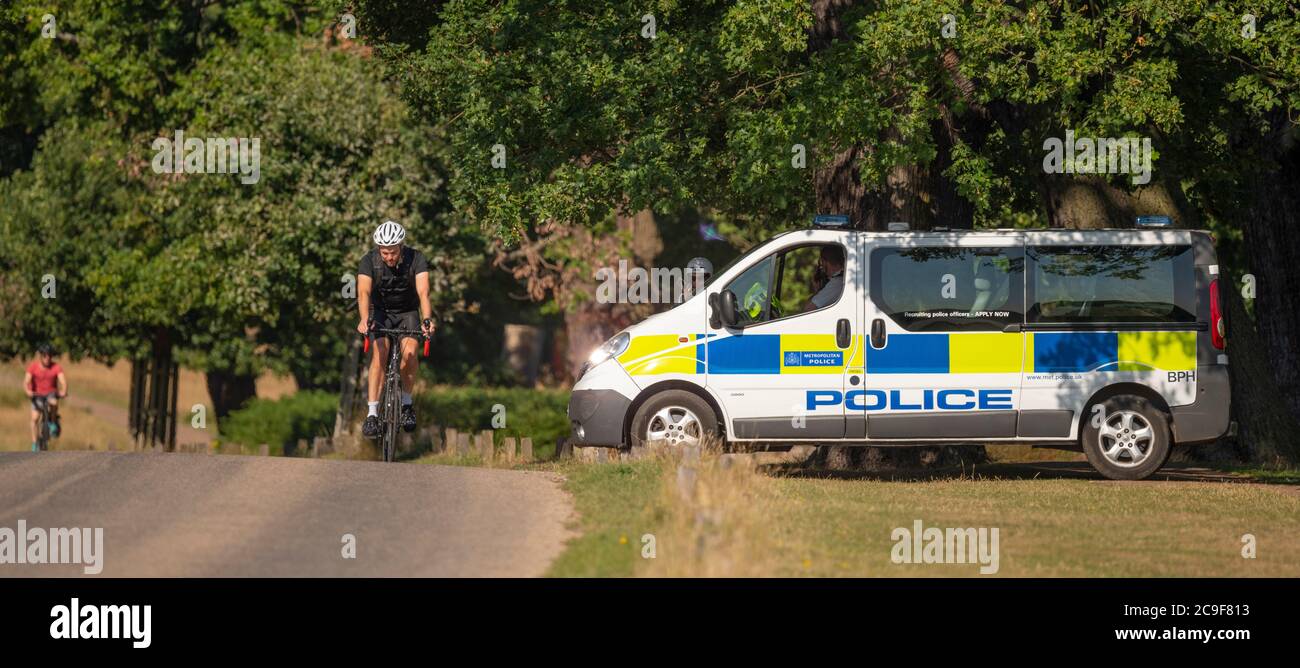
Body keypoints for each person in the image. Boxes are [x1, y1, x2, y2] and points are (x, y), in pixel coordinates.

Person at [356, 220, 436, 439]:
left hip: (408, 312)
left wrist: (427, 320)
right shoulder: (368, 261)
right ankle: (372, 415)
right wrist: (364, 319)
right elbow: (363, 292)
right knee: (379, 354)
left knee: (410, 354)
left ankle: (407, 405)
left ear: (401, 246)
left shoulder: (416, 259)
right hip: (380, 313)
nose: (389, 257)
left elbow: (424, 292)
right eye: (384, 253)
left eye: (392, 252)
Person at [24, 343, 67, 451]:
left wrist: (63, 391)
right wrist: (27, 391)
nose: (47, 358)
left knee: (54, 402)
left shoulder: (56, 367)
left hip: (51, 394)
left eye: (50, 356)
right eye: (45, 355)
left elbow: (63, 381)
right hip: (37, 395)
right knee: (34, 419)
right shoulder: (33, 367)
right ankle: (34, 443)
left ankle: (52, 422)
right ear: (41, 356)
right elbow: (26, 381)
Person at [805, 244, 846, 311]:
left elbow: (808, 308)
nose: (822, 267)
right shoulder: (841, 279)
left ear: (825, 262)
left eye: (822, 262)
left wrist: (817, 291)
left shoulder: (836, 282)